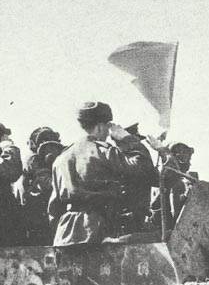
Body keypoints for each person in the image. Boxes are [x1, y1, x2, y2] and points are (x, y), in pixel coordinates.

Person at [49, 101, 157, 246]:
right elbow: (143, 167)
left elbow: (54, 209)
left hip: (65, 236)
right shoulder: (104, 151)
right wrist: (127, 139)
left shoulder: (61, 159)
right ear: (101, 127)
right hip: (100, 233)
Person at [148, 140, 199, 229]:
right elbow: (176, 213)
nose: (189, 162)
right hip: (172, 228)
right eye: (185, 158)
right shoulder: (176, 183)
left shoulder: (162, 181)